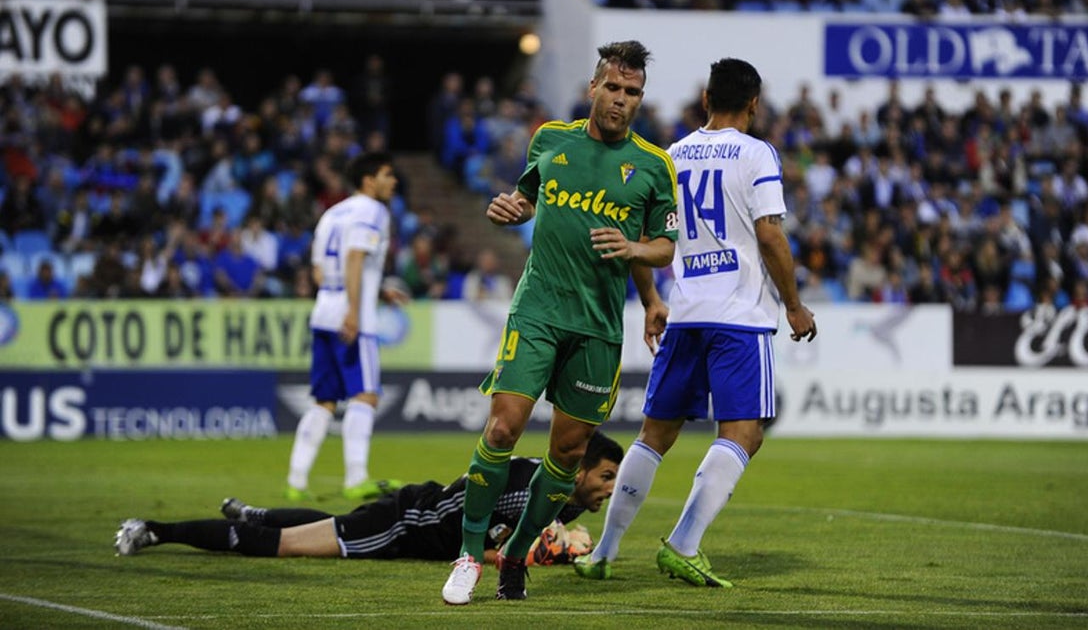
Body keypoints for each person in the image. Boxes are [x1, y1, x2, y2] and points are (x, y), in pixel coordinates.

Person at [441, 41, 679, 605]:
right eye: (613, 88)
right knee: (502, 429)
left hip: (597, 327)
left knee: (569, 455)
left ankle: (517, 554)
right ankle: (470, 555)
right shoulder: (551, 139)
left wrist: (639, 263)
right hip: (538, 310)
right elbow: (528, 197)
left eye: (632, 92)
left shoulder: (654, 165)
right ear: (593, 87)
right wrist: (511, 209)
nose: (621, 100)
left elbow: (664, 246)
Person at [573, 57, 817, 588]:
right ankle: (683, 544)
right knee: (744, 433)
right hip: (739, 318)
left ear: (706, 99)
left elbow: (642, 238)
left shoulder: (670, 156)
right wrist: (794, 305)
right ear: (754, 104)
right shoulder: (756, 153)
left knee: (653, 435)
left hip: (684, 313)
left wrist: (651, 301)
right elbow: (770, 234)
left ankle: (604, 552)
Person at [113, 431, 623, 564]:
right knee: (288, 546)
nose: (609, 487)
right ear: (579, 469)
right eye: (605, 476)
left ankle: (255, 512)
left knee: (330, 524)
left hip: (413, 512)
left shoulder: (563, 492)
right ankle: (156, 530)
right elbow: (486, 542)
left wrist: (555, 538)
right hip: (405, 526)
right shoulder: (531, 488)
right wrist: (543, 552)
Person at [285, 151, 405, 503]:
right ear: (369, 180)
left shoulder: (332, 213)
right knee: (365, 395)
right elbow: (354, 257)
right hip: (354, 318)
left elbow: (320, 273)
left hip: (323, 312)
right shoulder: (374, 211)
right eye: (387, 174)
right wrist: (354, 309)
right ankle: (356, 477)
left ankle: (295, 482)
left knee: (324, 400)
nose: (393, 181)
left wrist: (376, 290)